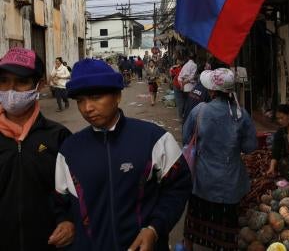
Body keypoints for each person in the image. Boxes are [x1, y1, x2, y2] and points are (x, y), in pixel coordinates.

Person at [55, 58, 192, 251]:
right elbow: (61, 203)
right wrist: (65, 222)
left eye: (95, 97)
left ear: (117, 95)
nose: (87, 108)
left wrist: (154, 228)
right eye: (80, 101)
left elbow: (179, 186)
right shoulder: (69, 150)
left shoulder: (154, 139)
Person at [0, 47, 74, 251]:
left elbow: (76, 195)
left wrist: (69, 221)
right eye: (4, 81)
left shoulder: (58, 137)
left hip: (48, 243)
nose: (10, 90)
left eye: (21, 82)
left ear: (39, 85)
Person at [182, 68, 257, 251]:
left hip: (202, 180)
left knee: (194, 219)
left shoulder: (199, 111)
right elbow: (250, 147)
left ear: (212, 91)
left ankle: (188, 246)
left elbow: (186, 139)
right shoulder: (241, 115)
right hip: (229, 183)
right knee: (227, 226)